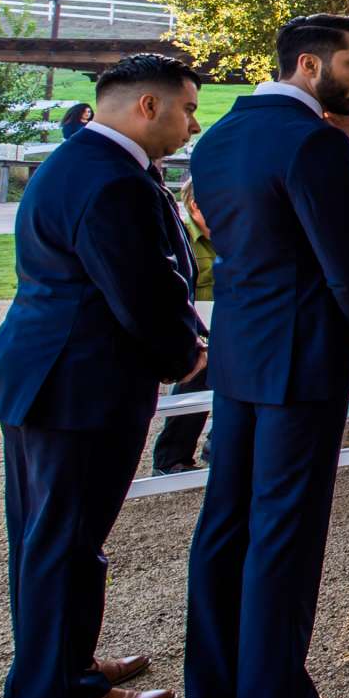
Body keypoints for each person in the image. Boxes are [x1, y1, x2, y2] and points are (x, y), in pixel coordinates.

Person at [0, 54, 208, 698]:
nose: (192, 123)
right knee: (66, 539)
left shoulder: (76, 163)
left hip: (46, 375)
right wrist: (186, 354)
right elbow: (138, 285)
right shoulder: (111, 181)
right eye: (187, 108)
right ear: (147, 106)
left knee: (48, 535)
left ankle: (48, 668)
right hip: (77, 380)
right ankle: (56, 694)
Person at [183, 14, 349, 698]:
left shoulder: (218, 138)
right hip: (303, 353)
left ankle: (212, 696)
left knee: (227, 520)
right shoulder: (315, 142)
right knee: (286, 528)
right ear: (310, 65)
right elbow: (344, 255)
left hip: (241, 350)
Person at [150, 178, 221, 476]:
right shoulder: (183, 238)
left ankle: (217, 448)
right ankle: (171, 457)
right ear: (196, 206)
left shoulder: (232, 235)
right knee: (194, 380)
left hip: (231, 322)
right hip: (197, 326)